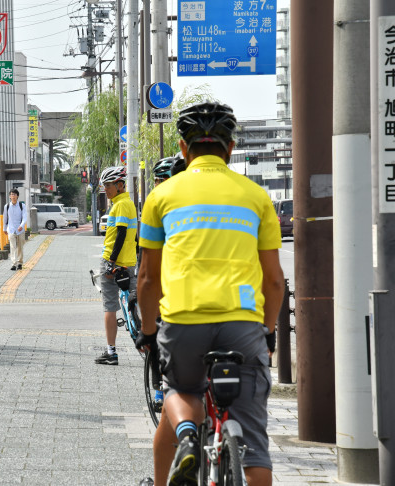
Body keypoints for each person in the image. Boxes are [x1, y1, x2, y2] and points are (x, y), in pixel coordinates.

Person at [135, 102, 285, 486]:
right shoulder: (256, 197)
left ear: (183, 150)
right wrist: (268, 331)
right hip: (243, 322)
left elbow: (148, 279)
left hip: (184, 318)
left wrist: (149, 332)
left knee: (180, 388)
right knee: (253, 442)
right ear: (230, 148)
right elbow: (273, 281)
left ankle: (187, 433)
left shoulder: (162, 197)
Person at [95, 166, 138, 366]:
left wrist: (111, 261)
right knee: (135, 301)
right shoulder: (128, 204)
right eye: (104, 186)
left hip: (112, 262)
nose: (106, 189)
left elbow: (120, 234)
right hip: (129, 262)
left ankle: (111, 352)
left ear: (120, 185)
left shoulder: (120, 205)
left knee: (109, 306)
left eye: (109, 185)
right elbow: (133, 236)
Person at [3, 189, 28, 270]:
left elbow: (24, 217)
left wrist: (21, 225)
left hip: (20, 230)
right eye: (11, 194)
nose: (13, 196)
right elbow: (5, 218)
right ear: (10, 196)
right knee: (12, 247)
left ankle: (20, 262)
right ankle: (14, 263)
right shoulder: (7, 206)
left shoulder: (22, 206)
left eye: (14, 194)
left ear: (17, 196)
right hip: (10, 229)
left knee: (20, 246)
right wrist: (4, 228)